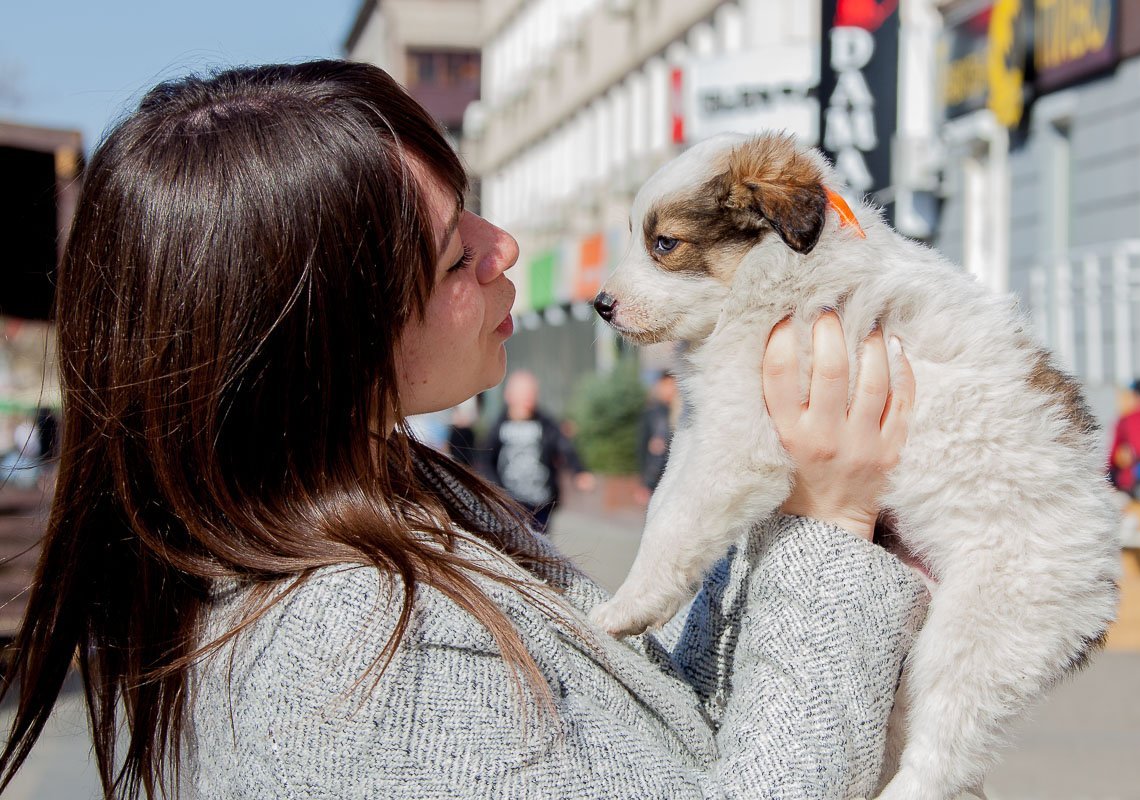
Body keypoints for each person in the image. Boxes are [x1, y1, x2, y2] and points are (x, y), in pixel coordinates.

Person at [0, 61, 927, 799]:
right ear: (324, 333)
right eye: (454, 253)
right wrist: (829, 529)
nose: (503, 249)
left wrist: (803, 501)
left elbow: (668, 737)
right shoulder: (356, 661)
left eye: (470, 202)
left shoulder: (389, 502)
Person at [480, 370, 595, 532]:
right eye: (523, 392)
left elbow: (564, 446)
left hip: (541, 502)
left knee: (539, 545)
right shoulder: (498, 427)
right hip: (510, 502)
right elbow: (485, 459)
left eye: (532, 392)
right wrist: (493, 490)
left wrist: (579, 471)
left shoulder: (545, 424)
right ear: (509, 395)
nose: (529, 397)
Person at [637, 371, 678, 505]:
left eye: (672, 385)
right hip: (655, 477)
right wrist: (644, 483)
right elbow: (642, 447)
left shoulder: (682, 412)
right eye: (665, 385)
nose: (669, 389)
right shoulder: (653, 414)